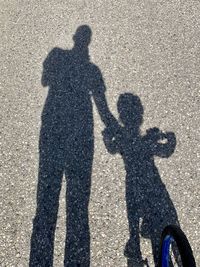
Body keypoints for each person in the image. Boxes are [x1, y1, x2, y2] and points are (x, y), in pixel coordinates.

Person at [30, 25, 116, 267]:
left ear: (75, 39)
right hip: (80, 139)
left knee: (46, 202)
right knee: (78, 208)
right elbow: (104, 110)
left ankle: (39, 260)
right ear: (88, 43)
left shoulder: (57, 55)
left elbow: (45, 80)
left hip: (53, 134)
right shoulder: (92, 71)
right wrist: (121, 133)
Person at [103, 93, 179, 266]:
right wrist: (171, 139)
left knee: (133, 216)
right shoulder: (148, 139)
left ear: (121, 117)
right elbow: (166, 151)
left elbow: (111, 148)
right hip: (154, 185)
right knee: (169, 216)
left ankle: (134, 244)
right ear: (141, 115)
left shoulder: (122, 139)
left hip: (134, 186)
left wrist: (106, 138)